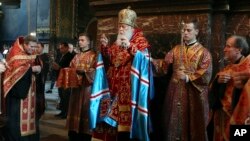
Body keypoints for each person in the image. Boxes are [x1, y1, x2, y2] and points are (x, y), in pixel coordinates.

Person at [90, 7, 151, 141]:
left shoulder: (140, 42)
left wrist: (130, 46)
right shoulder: (118, 41)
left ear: (131, 27)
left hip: (128, 87)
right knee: (108, 120)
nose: (121, 30)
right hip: (112, 85)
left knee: (123, 125)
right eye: (119, 27)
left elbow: (144, 62)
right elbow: (111, 58)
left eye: (123, 27)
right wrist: (105, 47)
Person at [152, 19, 213, 141]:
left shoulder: (203, 52)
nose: (185, 33)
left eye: (188, 30)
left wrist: (188, 77)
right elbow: (164, 66)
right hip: (174, 91)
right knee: (172, 121)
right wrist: (148, 60)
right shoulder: (176, 49)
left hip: (193, 93)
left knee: (191, 122)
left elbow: (206, 73)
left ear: (196, 31)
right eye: (183, 30)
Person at [208, 35, 249, 141]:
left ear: (238, 50)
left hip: (241, 114)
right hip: (223, 116)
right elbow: (213, 91)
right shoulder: (228, 67)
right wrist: (218, 82)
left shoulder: (248, 66)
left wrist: (240, 84)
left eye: (228, 46)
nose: (224, 49)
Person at [2, 35, 41, 141]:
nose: (33, 50)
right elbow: (15, 73)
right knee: (16, 118)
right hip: (17, 93)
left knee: (31, 116)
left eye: (35, 47)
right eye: (31, 47)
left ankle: (30, 137)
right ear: (25, 44)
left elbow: (34, 67)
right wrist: (31, 69)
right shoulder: (15, 54)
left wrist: (38, 70)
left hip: (30, 91)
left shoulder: (32, 54)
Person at [64, 33, 96, 141]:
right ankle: (73, 133)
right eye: (79, 40)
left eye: (82, 40)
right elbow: (71, 67)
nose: (80, 42)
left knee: (85, 110)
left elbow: (95, 71)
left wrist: (85, 72)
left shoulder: (94, 55)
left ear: (88, 42)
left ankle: (85, 135)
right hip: (76, 88)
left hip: (87, 88)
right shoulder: (76, 56)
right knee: (74, 109)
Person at [54, 42, 75, 119]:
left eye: (62, 48)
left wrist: (59, 68)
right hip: (60, 78)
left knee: (66, 97)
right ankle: (62, 111)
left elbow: (70, 68)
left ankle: (66, 113)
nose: (60, 49)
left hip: (66, 79)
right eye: (60, 48)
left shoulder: (71, 56)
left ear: (67, 48)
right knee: (61, 96)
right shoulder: (61, 55)